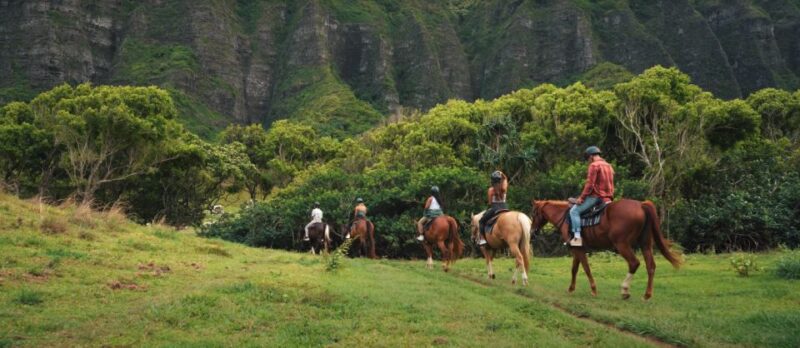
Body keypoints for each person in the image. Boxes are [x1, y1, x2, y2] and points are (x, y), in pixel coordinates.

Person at [569, 146, 615, 247]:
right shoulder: (609, 165)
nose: (588, 162)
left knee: (574, 211)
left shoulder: (594, 165)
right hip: (608, 198)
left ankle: (577, 238)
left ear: (590, 157)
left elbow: (590, 184)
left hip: (596, 197)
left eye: (587, 159)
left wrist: (581, 198)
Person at [478, 170, 508, 245]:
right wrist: (501, 173)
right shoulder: (504, 187)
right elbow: (505, 179)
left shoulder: (491, 190)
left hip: (495, 209)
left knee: (481, 221)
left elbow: (490, 202)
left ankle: (482, 239)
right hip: (505, 208)